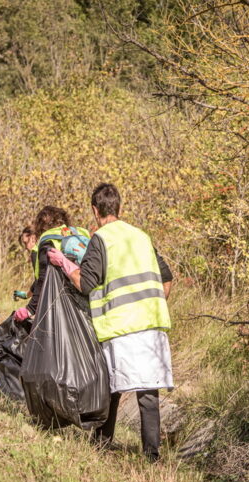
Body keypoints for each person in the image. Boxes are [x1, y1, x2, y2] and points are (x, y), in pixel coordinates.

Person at [48, 183, 173, 462]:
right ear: (120, 206)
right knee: (148, 393)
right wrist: (153, 302)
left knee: (111, 388)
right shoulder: (142, 236)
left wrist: (64, 264)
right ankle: (151, 456)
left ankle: (101, 445)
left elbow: (86, 284)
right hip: (151, 324)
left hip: (120, 326)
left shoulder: (101, 239)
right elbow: (167, 279)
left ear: (95, 210)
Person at [14, 206, 90, 322]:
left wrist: (30, 309)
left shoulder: (48, 241)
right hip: (91, 298)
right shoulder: (80, 233)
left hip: (66, 304)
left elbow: (43, 279)